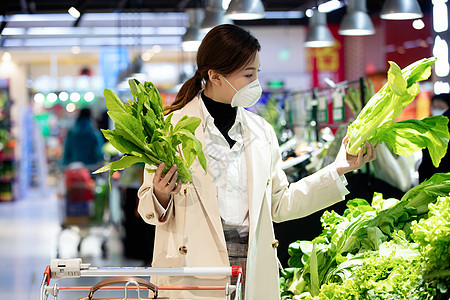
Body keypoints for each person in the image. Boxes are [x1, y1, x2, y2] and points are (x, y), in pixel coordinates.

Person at [137, 24, 376, 300]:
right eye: (248, 74)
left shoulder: (261, 131)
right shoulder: (170, 131)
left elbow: (279, 203)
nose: (255, 83)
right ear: (214, 75)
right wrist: (160, 194)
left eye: (256, 73)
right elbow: (147, 208)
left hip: (252, 263)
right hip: (191, 272)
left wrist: (338, 169)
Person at [418, 93, 450, 182]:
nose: (437, 110)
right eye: (435, 107)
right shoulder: (431, 127)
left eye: (441, 107)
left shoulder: (438, 126)